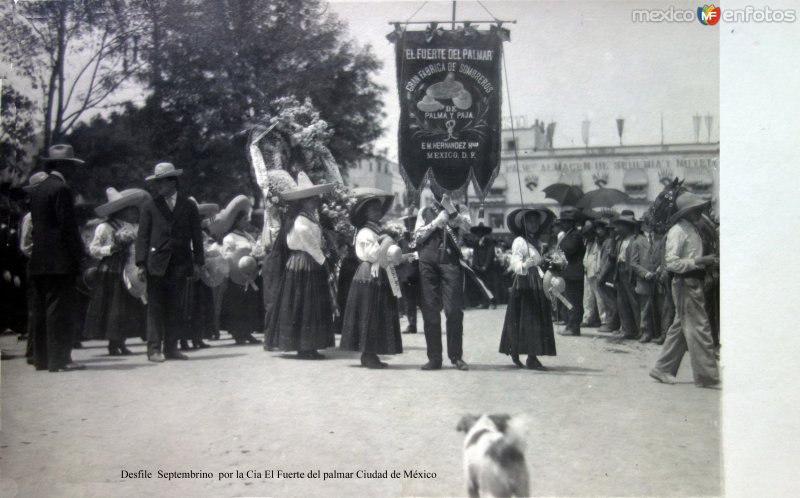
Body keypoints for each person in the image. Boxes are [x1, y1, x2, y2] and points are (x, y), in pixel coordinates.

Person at [135, 162, 205, 362]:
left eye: (161, 182)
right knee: (155, 307)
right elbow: (143, 237)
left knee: (176, 307)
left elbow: (196, 236)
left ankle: (171, 348)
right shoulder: (150, 206)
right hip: (156, 264)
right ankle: (154, 350)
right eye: (156, 182)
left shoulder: (188, 205)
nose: (158, 186)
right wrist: (140, 263)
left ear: (173, 181)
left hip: (181, 263)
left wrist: (199, 262)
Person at [649, 192, 720, 388]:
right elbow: (672, 263)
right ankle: (707, 376)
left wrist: (706, 263)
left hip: (691, 282)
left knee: (680, 328)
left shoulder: (692, 230)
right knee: (700, 328)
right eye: (696, 209)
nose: (700, 211)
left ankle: (662, 368)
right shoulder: (678, 231)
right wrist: (699, 261)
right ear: (686, 212)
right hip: (685, 283)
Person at [28, 144, 87, 372]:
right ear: (61, 165)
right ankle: (59, 360)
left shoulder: (38, 189)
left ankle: (42, 359)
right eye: (71, 165)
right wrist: (80, 256)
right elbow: (67, 228)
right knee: (59, 311)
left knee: (42, 309)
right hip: (60, 261)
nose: (74, 170)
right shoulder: (61, 189)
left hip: (40, 259)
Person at [265, 172, 335, 359]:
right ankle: (304, 346)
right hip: (304, 262)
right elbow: (310, 244)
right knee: (304, 303)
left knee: (306, 303)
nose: (315, 202)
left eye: (315, 199)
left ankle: (309, 345)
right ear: (303, 201)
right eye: (312, 199)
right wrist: (324, 262)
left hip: (306, 261)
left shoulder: (307, 218)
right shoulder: (301, 221)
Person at [340, 191, 403, 368]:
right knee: (369, 312)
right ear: (365, 213)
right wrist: (387, 243)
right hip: (369, 274)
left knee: (376, 313)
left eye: (378, 209)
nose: (377, 212)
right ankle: (367, 354)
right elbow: (374, 254)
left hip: (379, 273)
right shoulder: (365, 233)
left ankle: (372, 353)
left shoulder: (377, 231)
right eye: (372, 209)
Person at [84, 187, 150, 355]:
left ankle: (121, 341)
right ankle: (113, 343)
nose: (135, 213)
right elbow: (93, 249)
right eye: (131, 210)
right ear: (121, 211)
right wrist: (112, 248)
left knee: (128, 307)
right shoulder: (105, 227)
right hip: (112, 269)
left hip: (130, 268)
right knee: (114, 306)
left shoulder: (135, 227)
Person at [414, 192, 471, 371]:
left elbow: (468, 227)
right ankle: (434, 358)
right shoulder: (424, 211)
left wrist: (452, 211)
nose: (443, 191)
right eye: (438, 187)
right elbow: (416, 237)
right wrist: (436, 222)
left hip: (450, 260)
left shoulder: (461, 208)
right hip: (427, 260)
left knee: (454, 309)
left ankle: (456, 356)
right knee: (430, 309)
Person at [499, 207, 557, 370]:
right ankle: (517, 350)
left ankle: (532, 356)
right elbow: (514, 262)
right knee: (524, 317)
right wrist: (525, 264)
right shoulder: (520, 241)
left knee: (536, 318)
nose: (533, 225)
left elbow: (540, 261)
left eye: (536, 222)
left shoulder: (536, 241)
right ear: (523, 224)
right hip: (525, 282)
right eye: (530, 221)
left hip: (537, 281)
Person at [217, 195, 264, 345]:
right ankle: (238, 332)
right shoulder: (230, 238)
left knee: (249, 303)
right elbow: (227, 256)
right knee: (237, 305)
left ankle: (247, 331)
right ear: (236, 221)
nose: (247, 222)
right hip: (236, 276)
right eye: (244, 220)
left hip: (249, 274)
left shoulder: (248, 236)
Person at [186, 200, 221, 349]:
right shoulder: (186, 232)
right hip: (190, 271)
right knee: (189, 306)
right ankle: (185, 338)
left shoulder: (204, 234)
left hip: (202, 271)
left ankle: (198, 337)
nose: (201, 221)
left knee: (201, 306)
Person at [610, 211, 642, 340]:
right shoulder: (619, 240)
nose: (617, 229)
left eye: (620, 226)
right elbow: (614, 256)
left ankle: (639, 329)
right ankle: (628, 329)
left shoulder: (635, 239)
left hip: (630, 272)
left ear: (627, 226)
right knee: (622, 302)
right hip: (620, 270)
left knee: (634, 302)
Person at [556, 207, 585, 336]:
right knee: (569, 300)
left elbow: (568, 250)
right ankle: (570, 324)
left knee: (573, 301)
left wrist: (556, 252)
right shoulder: (568, 235)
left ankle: (573, 327)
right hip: (569, 272)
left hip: (574, 272)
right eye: (562, 222)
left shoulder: (575, 235)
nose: (563, 224)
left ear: (571, 223)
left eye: (565, 222)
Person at [396, 207, 420, 334]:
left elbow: (422, 254)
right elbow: (396, 257)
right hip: (405, 274)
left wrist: (409, 257)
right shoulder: (400, 240)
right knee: (408, 301)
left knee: (423, 301)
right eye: (407, 221)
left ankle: (429, 324)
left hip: (419, 273)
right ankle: (412, 324)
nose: (408, 224)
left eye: (411, 221)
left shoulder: (420, 237)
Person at [596, 216, 621, 333]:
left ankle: (612, 324)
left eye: (613, 229)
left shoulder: (613, 242)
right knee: (607, 299)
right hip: (605, 273)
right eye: (609, 229)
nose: (611, 231)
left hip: (608, 275)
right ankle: (611, 322)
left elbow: (610, 260)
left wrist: (602, 275)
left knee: (610, 300)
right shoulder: (609, 241)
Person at [581, 221, 603, 327]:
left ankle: (604, 320)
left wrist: (598, 271)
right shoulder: (587, 243)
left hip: (595, 273)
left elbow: (598, 259)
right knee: (587, 297)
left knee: (599, 298)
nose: (587, 236)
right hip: (587, 272)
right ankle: (587, 318)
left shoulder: (598, 244)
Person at [470, 222, 498, 309]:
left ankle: (493, 303)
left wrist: (485, 266)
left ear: (484, 232)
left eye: (481, 231)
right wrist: (474, 265)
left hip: (488, 268)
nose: (479, 233)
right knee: (481, 285)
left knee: (489, 284)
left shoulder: (489, 242)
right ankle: (484, 302)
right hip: (478, 267)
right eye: (477, 232)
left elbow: (490, 254)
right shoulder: (476, 242)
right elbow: (475, 254)